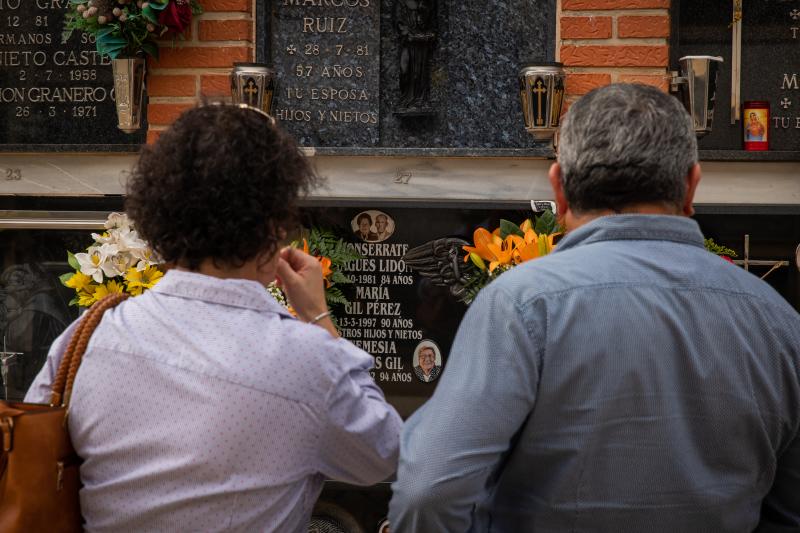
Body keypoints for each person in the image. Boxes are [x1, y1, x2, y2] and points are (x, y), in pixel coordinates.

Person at [388, 84, 800, 532]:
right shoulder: (779, 321)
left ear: (559, 188)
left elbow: (428, 493)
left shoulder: (522, 306)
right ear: (691, 185)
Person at [25, 104, 402, 532]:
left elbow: (36, 448)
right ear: (274, 226)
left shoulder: (90, 335)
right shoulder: (307, 360)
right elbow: (384, 455)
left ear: (158, 213)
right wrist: (317, 316)